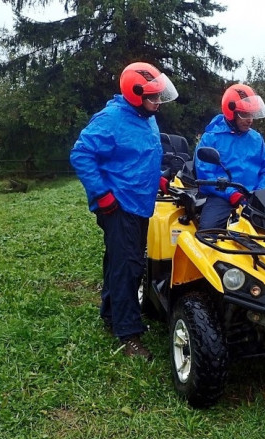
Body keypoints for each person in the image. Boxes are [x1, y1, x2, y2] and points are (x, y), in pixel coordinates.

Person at [70, 61, 178, 360]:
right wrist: (102, 194)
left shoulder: (146, 117)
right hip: (119, 205)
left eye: (159, 96)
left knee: (118, 262)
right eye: (153, 97)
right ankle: (128, 335)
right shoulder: (111, 119)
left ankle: (110, 314)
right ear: (135, 93)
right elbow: (81, 154)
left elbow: (140, 156)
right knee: (129, 267)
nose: (158, 102)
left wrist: (156, 179)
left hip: (140, 202)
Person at [194, 83, 265, 229]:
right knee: (207, 232)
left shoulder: (256, 139)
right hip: (221, 197)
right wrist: (231, 193)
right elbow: (205, 173)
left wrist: (261, 192)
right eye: (244, 114)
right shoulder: (212, 137)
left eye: (251, 114)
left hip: (254, 198)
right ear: (231, 113)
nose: (250, 120)